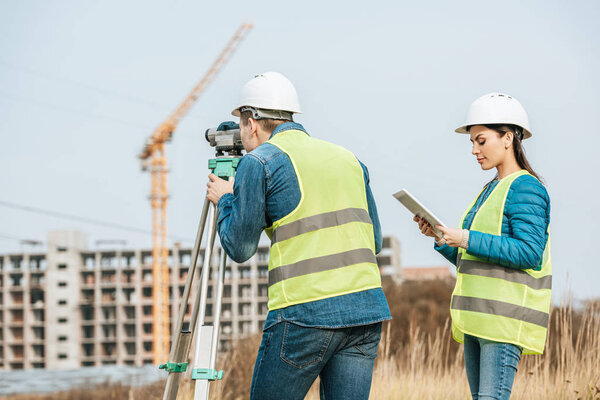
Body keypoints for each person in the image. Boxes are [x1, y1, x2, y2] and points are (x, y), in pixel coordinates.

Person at [206, 72, 391, 400]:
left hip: (304, 314)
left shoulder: (259, 162)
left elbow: (239, 246)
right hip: (365, 311)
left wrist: (227, 200)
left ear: (251, 123)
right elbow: (374, 242)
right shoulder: (350, 160)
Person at [414, 92, 552, 400]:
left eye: (481, 140)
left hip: (501, 324)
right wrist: (441, 238)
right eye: (472, 143)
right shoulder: (490, 190)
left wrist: (464, 237)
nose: (475, 150)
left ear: (507, 138)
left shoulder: (526, 188)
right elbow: (477, 259)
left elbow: (529, 253)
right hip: (479, 320)